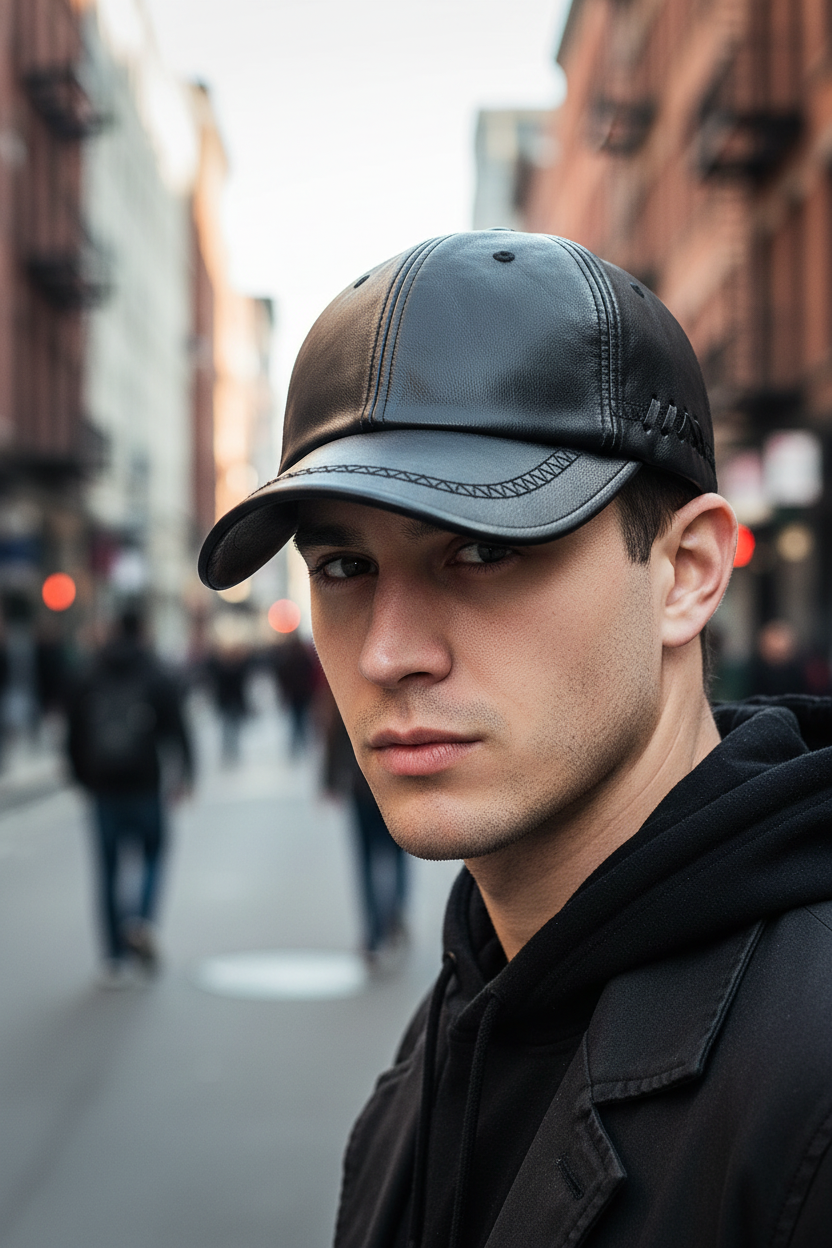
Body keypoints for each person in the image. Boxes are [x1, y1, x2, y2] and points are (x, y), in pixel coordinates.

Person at [198, 231, 832, 1247]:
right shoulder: (470, 1014)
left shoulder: (807, 1086)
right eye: (343, 568)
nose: (388, 655)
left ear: (687, 573)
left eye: (484, 549)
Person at [67, 608, 193, 983]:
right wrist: (185, 773)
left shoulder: (91, 670)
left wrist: (82, 779)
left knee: (107, 870)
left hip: (103, 787)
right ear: (143, 631)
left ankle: (112, 960)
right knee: (153, 853)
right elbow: (176, 726)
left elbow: (73, 732)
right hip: (144, 784)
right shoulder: (154, 670)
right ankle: (140, 919)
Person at [322, 686, 408, 965]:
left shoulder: (350, 684)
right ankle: (391, 916)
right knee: (395, 855)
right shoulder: (399, 685)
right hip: (389, 787)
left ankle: (375, 931)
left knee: (369, 860)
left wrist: (330, 779)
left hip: (364, 787)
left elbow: (334, 732)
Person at [272, 632, 320, 754]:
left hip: (296, 694)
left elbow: (284, 677)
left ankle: (296, 744)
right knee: (301, 718)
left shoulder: (288, 659)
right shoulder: (304, 659)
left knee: (296, 719)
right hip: (303, 693)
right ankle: (301, 743)